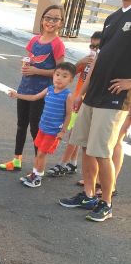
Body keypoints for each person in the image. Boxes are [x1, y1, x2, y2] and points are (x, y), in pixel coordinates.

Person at [58, 0, 131, 222]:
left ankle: (106, 202)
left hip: (115, 98)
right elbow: (98, 60)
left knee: (102, 151)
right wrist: (81, 93)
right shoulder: (114, 18)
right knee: (86, 147)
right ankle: (88, 193)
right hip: (94, 94)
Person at [0, 4, 65, 172]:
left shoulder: (57, 44)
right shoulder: (34, 40)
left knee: (36, 128)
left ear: (61, 23)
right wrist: (27, 68)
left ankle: (37, 166)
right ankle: (17, 160)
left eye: (55, 19)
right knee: (21, 125)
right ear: (42, 20)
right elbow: (29, 60)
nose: (50, 22)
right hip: (25, 88)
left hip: (42, 92)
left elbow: (60, 73)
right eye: (47, 18)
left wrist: (37, 71)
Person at [7, 61, 76, 188]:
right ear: (53, 76)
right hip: (42, 128)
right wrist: (16, 95)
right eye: (57, 74)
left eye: (64, 76)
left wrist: (62, 131)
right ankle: (35, 173)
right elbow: (34, 97)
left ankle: (37, 177)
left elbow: (68, 114)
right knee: (39, 151)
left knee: (41, 154)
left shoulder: (68, 95)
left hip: (53, 131)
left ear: (71, 80)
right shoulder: (49, 89)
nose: (59, 78)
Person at [47, 32, 102, 178]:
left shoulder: (103, 63)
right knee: (76, 133)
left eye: (98, 46)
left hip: (87, 102)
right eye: (92, 46)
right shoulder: (88, 61)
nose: (94, 50)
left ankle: (62, 164)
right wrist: (80, 62)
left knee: (74, 135)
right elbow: (70, 73)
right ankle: (73, 163)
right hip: (77, 101)